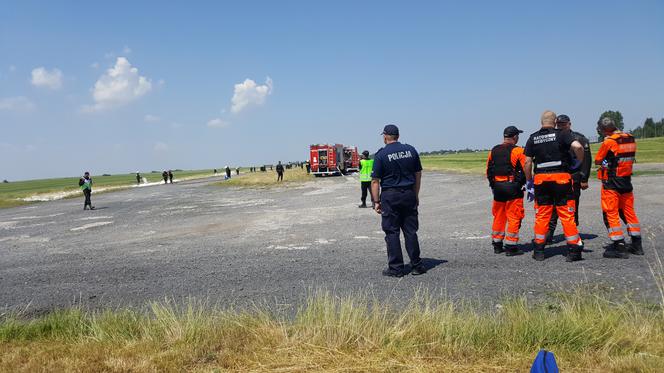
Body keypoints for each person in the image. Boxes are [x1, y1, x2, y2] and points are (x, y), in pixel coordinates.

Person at [524, 110, 585, 262]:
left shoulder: (533, 138)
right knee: (566, 214)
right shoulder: (562, 134)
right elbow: (578, 147)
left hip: (541, 180)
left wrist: (529, 180)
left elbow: (527, 162)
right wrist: (578, 163)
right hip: (561, 179)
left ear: (541, 122)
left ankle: (539, 250)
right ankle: (574, 251)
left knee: (542, 215)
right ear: (555, 121)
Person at [371, 124, 427, 277]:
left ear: (385, 136)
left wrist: (376, 202)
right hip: (408, 193)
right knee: (410, 231)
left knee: (392, 232)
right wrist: (415, 195)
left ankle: (396, 268)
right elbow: (418, 175)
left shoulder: (381, 155)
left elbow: (375, 181)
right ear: (398, 136)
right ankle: (416, 265)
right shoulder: (411, 150)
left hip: (391, 196)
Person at [595, 117, 643, 258]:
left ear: (604, 130)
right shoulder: (630, 138)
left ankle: (619, 246)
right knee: (629, 212)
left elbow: (598, 159)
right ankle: (637, 244)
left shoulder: (609, 141)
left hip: (612, 182)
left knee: (610, 213)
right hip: (626, 181)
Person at [547, 114, 591, 242]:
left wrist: (584, 178)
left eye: (563, 124)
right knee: (553, 206)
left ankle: (573, 233)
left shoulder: (579, 138)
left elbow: (586, 160)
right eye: (559, 124)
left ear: (569, 124)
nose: (561, 126)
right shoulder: (552, 138)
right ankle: (549, 233)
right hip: (556, 177)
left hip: (573, 178)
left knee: (572, 205)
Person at [486, 126, 527, 256]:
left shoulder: (493, 150)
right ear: (515, 137)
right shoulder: (519, 151)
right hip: (512, 187)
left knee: (499, 216)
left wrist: (493, 185)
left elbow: (489, 170)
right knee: (514, 216)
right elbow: (526, 168)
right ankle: (511, 246)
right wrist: (523, 183)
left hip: (498, 188)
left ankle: (497, 244)